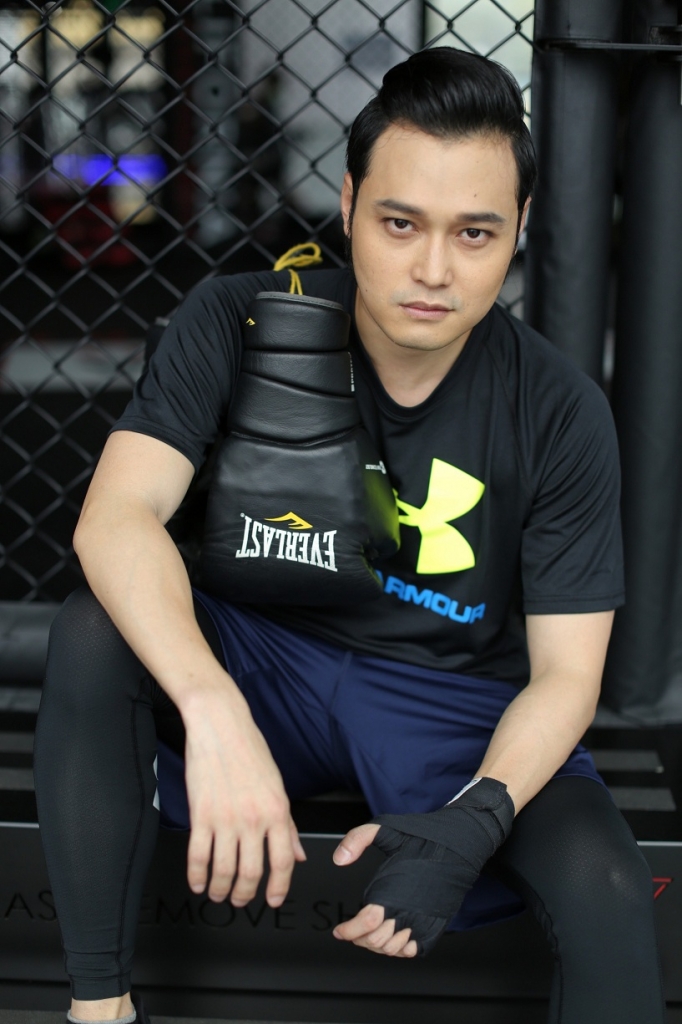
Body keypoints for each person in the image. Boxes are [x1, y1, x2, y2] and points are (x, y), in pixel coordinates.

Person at [33, 47, 665, 1024]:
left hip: (447, 702)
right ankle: (100, 1010)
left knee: (607, 883)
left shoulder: (559, 407)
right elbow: (116, 517)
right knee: (93, 626)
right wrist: (213, 707)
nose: (432, 270)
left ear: (520, 229)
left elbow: (567, 676)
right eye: (400, 223)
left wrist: (478, 815)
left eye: (475, 233)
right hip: (266, 664)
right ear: (347, 203)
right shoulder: (238, 318)